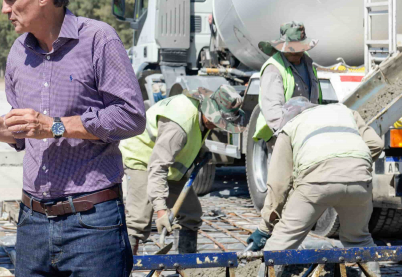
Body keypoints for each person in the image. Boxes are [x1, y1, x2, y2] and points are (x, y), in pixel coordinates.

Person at [0, 0, 145, 277]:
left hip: (92, 225)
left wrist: (56, 126)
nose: (4, 9)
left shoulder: (98, 40)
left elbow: (130, 116)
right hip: (32, 224)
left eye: (11, 0)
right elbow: (24, 135)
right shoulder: (18, 52)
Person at [246, 98, 383, 266]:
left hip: (315, 183)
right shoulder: (346, 112)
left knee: (281, 244)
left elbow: (278, 185)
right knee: (359, 242)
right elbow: (376, 144)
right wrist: (352, 167)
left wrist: (265, 227)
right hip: (359, 181)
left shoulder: (290, 127)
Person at [121, 85, 246, 254]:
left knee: (191, 214)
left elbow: (192, 136)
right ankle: (126, 267)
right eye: (219, 122)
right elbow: (157, 167)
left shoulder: (203, 115)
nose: (218, 127)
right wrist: (160, 211)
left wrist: (200, 152)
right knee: (138, 221)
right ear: (210, 113)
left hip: (169, 165)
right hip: (142, 159)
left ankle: (187, 265)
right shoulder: (179, 125)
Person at [254, 22, 322, 142]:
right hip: (281, 134)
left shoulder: (307, 62)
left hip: (306, 129)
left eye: (298, 49)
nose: (295, 53)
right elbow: (273, 111)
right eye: (291, 50)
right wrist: (285, 137)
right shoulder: (273, 69)